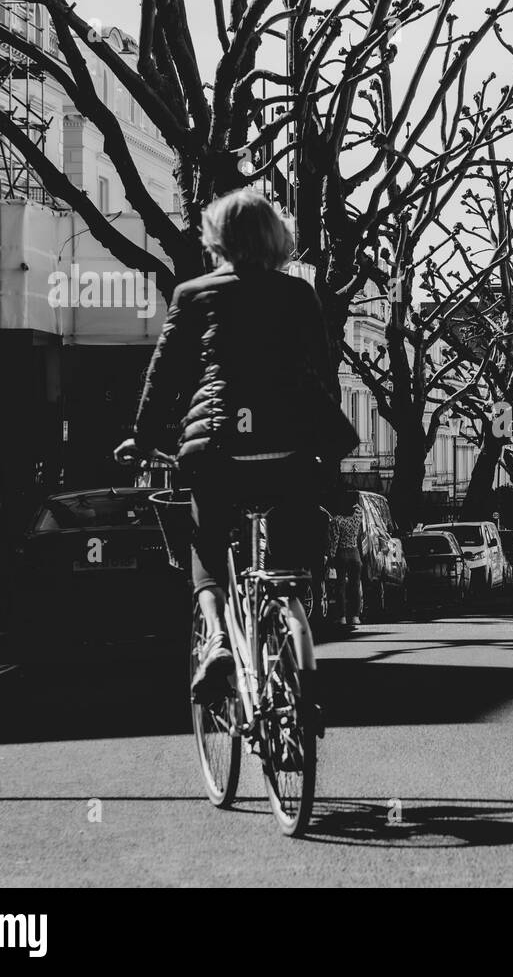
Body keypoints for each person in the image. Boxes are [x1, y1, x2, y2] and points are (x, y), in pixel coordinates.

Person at [115, 189, 356, 702]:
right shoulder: (298, 295)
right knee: (289, 552)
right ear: (278, 238)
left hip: (216, 450)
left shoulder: (193, 293)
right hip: (287, 450)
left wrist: (143, 437)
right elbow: (320, 372)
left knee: (205, 541)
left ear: (216, 239)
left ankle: (219, 639)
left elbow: (165, 377)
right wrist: (324, 439)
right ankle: (291, 615)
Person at [327, 488, 364, 626]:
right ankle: (355, 616)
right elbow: (359, 508)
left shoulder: (337, 520)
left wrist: (331, 556)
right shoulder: (357, 516)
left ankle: (341, 616)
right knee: (355, 586)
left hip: (341, 554)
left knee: (340, 586)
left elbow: (334, 541)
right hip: (355, 553)